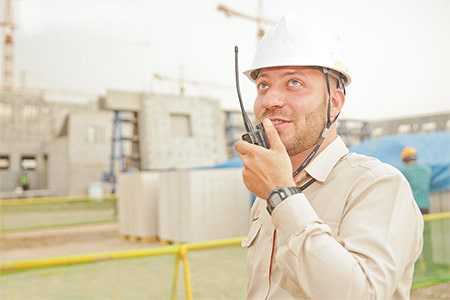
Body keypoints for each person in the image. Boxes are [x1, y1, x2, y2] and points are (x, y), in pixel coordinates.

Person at [235, 15, 423, 300]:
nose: (271, 100)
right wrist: (277, 192)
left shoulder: (377, 185)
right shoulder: (265, 197)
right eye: (263, 85)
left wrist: (282, 196)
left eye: (294, 83)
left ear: (334, 103)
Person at [399, 146, 432, 214]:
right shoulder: (426, 170)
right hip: (425, 205)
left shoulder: (403, 171)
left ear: (404, 159)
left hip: (412, 206)